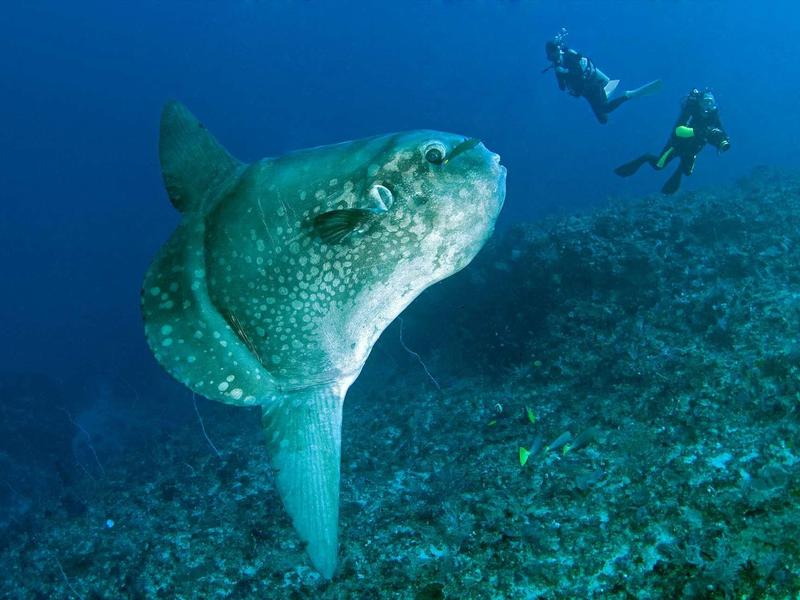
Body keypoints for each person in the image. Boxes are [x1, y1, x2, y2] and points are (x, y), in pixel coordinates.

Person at [614, 88, 731, 194]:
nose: (708, 105)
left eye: (711, 102)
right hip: (677, 145)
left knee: (687, 172)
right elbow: (679, 130)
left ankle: (679, 170)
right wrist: (699, 131)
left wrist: (722, 141)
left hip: (693, 149)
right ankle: (645, 158)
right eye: (706, 102)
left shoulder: (714, 115)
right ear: (700, 102)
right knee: (658, 166)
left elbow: (720, 131)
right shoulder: (691, 110)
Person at [544, 28, 662, 124]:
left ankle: (627, 95)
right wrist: (559, 73)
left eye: (551, 55)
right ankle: (606, 94)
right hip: (584, 92)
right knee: (603, 120)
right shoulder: (557, 65)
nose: (551, 58)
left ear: (555, 51)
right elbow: (562, 87)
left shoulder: (568, 58)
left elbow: (578, 72)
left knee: (604, 108)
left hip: (592, 85)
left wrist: (564, 72)